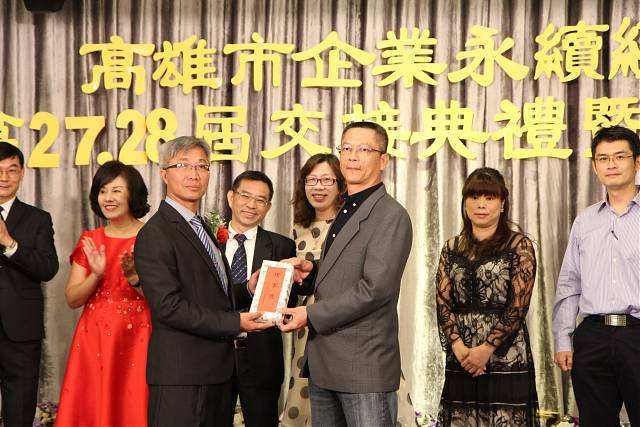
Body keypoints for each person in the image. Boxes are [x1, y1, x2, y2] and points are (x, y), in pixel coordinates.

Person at [279, 121, 413, 427]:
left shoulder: (390, 215)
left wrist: (309, 314)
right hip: (325, 365)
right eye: (347, 148)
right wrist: (312, 272)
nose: (352, 156)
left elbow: (375, 289)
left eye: (364, 149)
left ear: (383, 160)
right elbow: (345, 271)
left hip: (363, 367)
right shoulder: (346, 208)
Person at [134, 136, 270, 427]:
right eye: (183, 165)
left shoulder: (200, 226)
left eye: (202, 166)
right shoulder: (155, 233)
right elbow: (168, 307)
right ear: (164, 174)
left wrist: (246, 289)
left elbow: (208, 293)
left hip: (216, 375)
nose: (194, 174)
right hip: (182, 378)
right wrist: (236, 322)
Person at [435, 167, 539, 426]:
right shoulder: (451, 247)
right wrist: (459, 347)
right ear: (465, 202)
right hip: (462, 355)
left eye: (489, 198)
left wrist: (486, 349)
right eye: (474, 197)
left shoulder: (519, 246)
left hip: (505, 353)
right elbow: (443, 303)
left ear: (502, 204)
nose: (481, 204)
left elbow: (518, 306)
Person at [553, 125, 640, 427]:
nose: (611, 164)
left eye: (620, 156)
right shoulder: (585, 221)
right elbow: (570, 283)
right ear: (594, 166)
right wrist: (563, 338)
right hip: (592, 337)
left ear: (637, 162)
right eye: (603, 158)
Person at [56, 161, 151, 426]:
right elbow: (72, 299)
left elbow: (164, 299)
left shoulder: (151, 237)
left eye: (116, 191)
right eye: (102, 191)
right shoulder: (91, 239)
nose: (108, 198)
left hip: (141, 334)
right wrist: (96, 275)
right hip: (94, 337)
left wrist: (135, 277)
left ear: (132, 194)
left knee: (134, 404)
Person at [221, 170, 297, 427]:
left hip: (261, 357)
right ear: (231, 197)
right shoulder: (208, 241)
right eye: (245, 196)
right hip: (213, 354)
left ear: (268, 207)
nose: (251, 205)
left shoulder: (281, 246)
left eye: (260, 200)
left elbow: (288, 302)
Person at [281, 154, 345, 426]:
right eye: (312, 180)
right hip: (303, 323)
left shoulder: (349, 224)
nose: (318, 187)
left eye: (326, 180)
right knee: (304, 386)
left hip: (340, 320)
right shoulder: (299, 228)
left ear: (340, 185)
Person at [0, 142, 59, 427]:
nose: (4, 177)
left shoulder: (38, 219)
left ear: (22, 173)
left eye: (12, 170)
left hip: (20, 330)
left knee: (20, 409)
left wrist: (10, 244)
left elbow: (48, 268)